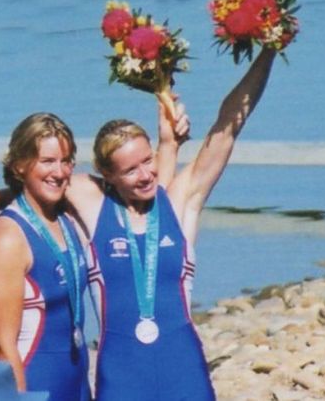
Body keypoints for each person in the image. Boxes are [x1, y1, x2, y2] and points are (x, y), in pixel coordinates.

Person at [64, 47, 277, 400]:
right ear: (107, 175)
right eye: (130, 170)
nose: (145, 175)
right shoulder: (92, 205)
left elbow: (226, 129)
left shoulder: (178, 204)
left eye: (148, 161)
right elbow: (37, 178)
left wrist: (268, 51)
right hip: (121, 374)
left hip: (183, 369)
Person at [0, 112, 91, 400]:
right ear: (19, 164)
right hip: (35, 383)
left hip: (77, 384)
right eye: (47, 161)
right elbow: (3, 347)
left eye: (66, 161)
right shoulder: (8, 237)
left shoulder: (67, 216)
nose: (59, 172)